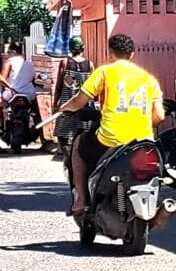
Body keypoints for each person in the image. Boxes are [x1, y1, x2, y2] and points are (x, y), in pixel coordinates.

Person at [58, 33, 164, 215]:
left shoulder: (105, 72)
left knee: (78, 145)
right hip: (143, 142)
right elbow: (160, 116)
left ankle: (81, 200)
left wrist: (64, 108)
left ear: (111, 53)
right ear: (132, 54)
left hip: (110, 139)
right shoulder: (149, 79)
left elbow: (78, 102)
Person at [53, 36, 96, 156]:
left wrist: (55, 103)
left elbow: (59, 85)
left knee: (63, 133)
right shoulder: (90, 64)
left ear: (70, 48)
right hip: (84, 103)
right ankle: (79, 155)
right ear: (83, 48)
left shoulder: (65, 62)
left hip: (67, 103)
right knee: (83, 131)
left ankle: (68, 155)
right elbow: (93, 86)